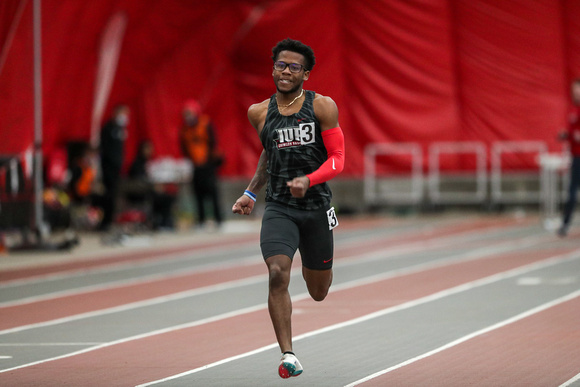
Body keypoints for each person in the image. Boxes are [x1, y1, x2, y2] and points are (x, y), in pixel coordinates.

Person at [231, 38, 345, 378]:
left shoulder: (322, 106)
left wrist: (310, 179)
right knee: (277, 273)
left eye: (294, 67)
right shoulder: (258, 112)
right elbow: (269, 155)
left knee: (318, 291)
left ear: (305, 74)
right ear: (273, 68)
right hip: (280, 207)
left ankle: (319, 268)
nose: (285, 72)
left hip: (316, 208)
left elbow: (338, 160)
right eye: (281, 65)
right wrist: (251, 194)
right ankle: (288, 354)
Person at [180, 99, 223, 229]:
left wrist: (210, 160)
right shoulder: (184, 130)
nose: (188, 117)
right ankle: (201, 220)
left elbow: (213, 142)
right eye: (186, 114)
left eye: (190, 113)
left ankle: (218, 219)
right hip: (195, 166)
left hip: (208, 164)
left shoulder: (205, 123)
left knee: (212, 192)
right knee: (198, 194)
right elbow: (183, 147)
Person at [98, 104, 129, 231]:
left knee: (114, 195)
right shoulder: (108, 128)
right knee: (108, 195)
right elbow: (105, 150)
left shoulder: (121, 129)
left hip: (117, 168)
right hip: (108, 168)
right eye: (122, 113)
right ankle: (105, 221)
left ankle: (111, 219)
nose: (125, 117)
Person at [558, 78, 580, 237]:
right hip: (576, 156)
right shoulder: (572, 110)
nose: (576, 93)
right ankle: (565, 223)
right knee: (572, 191)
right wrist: (566, 135)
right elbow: (571, 133)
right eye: (574, 90)